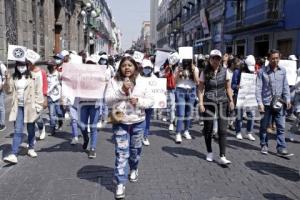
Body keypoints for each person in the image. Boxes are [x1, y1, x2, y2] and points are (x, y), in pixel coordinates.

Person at [105, 56, 154, 199]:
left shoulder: (143, 82)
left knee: (135, 150)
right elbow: (107, 101)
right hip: (120, 121)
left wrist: (138, 101)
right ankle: (120, 183)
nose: (127, 68)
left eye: (130, 65)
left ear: (135, 67)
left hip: (138, 121)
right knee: (121, 153)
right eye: (124, 65)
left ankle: (133, 168)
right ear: (120, 67)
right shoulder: (114, 82)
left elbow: (150, 101)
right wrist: (122, 90)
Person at [3, 61, 44, 164]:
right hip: (18, 107)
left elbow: (38, 92)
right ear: (16, 66)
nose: (21, 67)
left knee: (30, 129)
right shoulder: (13, 77)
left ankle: (31, 148)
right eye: (19, 65)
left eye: (23, 65)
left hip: (30, 106)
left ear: (27, 66)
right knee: (17, 130)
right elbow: (8, 91)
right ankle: (14, 154)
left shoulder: (34, 76)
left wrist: (39, 106)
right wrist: (7, 79)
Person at [198, 49, 234, 165]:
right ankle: (209, 151)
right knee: (208, 130)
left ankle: (222, 156)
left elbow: (228, 87)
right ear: (210, 59)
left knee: (223, 130)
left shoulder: (225, 71)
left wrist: (231, 100)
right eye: (213, 58)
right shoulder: (204, 72)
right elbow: (200, 89)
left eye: (218, 58)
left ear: (220, 60)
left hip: (222, 102)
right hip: (209, 102)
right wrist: (201, 103)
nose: (216, 60)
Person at [256, 49, 291, 156]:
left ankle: (281, 147)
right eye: (273, 58)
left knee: (281, 126)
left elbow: (285, 86)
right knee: (264, 126)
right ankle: (264, 144)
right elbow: (258, 88)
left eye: (277, 58)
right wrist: (260, 103)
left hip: (279, 103)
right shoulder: (262, 71)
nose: (275, 60)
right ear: (268, 59)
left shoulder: (283, 70)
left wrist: (288, 99)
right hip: (266, 103)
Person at [78, 55, 104, 158]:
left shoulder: (100, 75)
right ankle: (86, 138)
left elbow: (105, 84)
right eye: (88, 63)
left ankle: (92, 148)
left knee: (93, 127)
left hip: (94, 104)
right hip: (83, 103)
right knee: (82, 126)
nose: (90, 66)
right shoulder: (80, 74)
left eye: (92, 64)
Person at [174, 49, 199, 143]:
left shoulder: (195, 68)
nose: (187, 62)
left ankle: (186, 130)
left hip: (191, 91)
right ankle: (178, 133)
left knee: (188, 113)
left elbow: (197, 82)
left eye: (188, 60)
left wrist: (194, 71)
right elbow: (175, 81)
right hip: (180, 91)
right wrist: (178, 72)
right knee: (181, 113)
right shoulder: (178, 68)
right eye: (185, 60)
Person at [231, 55, 256, 141]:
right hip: (239, 95)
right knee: (239, 115)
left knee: (251, 115)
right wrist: (237, 86)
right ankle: (238, 132)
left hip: (250, 96)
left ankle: (248, 132)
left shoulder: (253, 72)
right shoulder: (237, 72)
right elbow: (232, 85)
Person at [27, 53, 48, 140]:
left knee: (37, 118)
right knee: (30, 120)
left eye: (29, 62)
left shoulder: (41, 72)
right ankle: (31, 140)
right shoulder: (26, 72)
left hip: (39, 99)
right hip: (28, 99)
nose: (27, 64)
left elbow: (45, 85)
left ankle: (41, 128)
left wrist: (45, 98)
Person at [140, 59, 156, 146]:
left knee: (147, 120)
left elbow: (159, 90)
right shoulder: (138, 77)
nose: (147, 69)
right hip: (140, 102)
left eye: (149, 68)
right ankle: (138, 135)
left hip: (150, 103)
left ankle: (145, 136)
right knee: (139, 119)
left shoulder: (154, 78)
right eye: (145, 67)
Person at [46, 60, 64, 136]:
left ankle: (60, 121)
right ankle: (52, 128)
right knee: (51, 114)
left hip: (58, 96)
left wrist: (63, 95)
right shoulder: (47, 75)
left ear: (55, 66)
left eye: (51, 65)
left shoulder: (59, 74)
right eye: (48, 65)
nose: (49, 67)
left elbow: (64, 83)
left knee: (59, 112)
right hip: (50, 96)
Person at [0, 60, 7, 131]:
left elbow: (5, 77)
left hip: (0, 89)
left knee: (1, 107)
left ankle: (2, 124)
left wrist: (2, 84)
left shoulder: (1, 65)